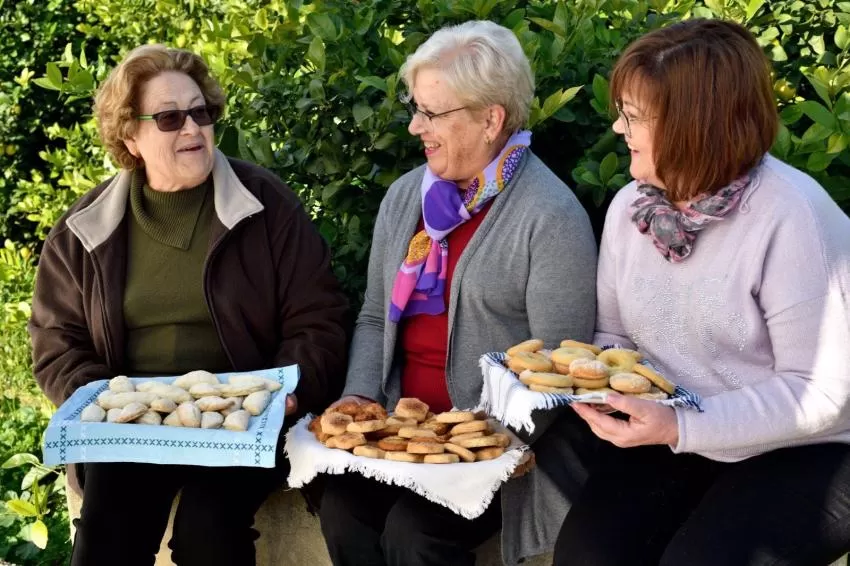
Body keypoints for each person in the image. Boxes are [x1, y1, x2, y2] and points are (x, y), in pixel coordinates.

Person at [28, 44, 349, 566]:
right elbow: (55, 338)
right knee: (106, 536)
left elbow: (318, 317)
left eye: (200, 112)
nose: (192, 129)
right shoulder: (84, 229)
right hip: (133, 428)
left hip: (239, 419)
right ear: (130, 134)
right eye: (170, 118)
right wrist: (100, 405)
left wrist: (286, 392)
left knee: (209, 533)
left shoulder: (266, 204)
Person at [554, 19, 850, 566]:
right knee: (586, 556)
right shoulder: (630, 210)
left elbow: (820, 393)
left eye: (634, 116)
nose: (618, 128)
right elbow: (615, 336)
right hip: (679, 429)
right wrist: (590, 387)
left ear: (696, 125)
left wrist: (682, 425)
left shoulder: (793, 217)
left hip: (810, 447)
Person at [317, 20, 598, 566]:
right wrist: (361, 398)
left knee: (413, 533)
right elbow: (375, 317)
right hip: (400, 434)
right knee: (341, 508)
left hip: (497, 447)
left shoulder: (550, 216)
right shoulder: (406, 199)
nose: (416, 127)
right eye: (416, 109)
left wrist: (480, 443)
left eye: (433, 113)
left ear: (491, 119)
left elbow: (555, 368)